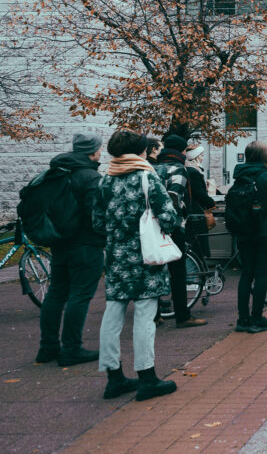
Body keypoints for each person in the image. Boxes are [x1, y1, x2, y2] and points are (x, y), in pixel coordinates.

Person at [94, 130, 178, 401]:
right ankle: (147, 376)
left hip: (117, 256)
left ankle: (113, 377)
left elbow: (96, 222)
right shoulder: (146, 175)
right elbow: (168, 215)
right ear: (140, 151)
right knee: (144, 315)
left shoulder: (106, 179)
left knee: (113, 312)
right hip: (146, 255)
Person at [34, 132, 105, 367]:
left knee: (56, 293)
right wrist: (102, 237)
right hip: (85, 244)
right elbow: (95, 214)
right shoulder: (90, 176)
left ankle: (48, 347)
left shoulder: (56, 173)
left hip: (59, 242)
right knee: (80, 296)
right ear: (93, 151)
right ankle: (72, 348)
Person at [153, 134, 208, 328]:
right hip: (173, 225)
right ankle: (182, 316)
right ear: (182, 151)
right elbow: (174, 198)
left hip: (153, 227)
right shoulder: (179, 169)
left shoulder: (153, 167)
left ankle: (155, 315)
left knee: (156, 268)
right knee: (178, 271)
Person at [232, 140, 267, 334]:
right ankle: (257, 318)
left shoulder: (240, 175)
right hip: (265, 231)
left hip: (244, 231)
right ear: (264, 155)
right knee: (262, 274)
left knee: (246, 273)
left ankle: (242, 319)